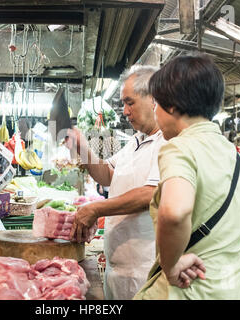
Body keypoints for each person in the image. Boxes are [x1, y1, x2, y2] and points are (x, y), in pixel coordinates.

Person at [134, 54, 240, 300]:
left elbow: (175, 212)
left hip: (189, 291)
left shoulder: (180, 148)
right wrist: (223, 256)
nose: (155, 112)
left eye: (156, 104)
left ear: (172, 106)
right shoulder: (230, 154)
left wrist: (171, 266)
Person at [66, 65, 166, 300]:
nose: (124, 111)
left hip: (146, 269)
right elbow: (108, 175)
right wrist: (82, 146)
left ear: (153, 98)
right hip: (119, 268)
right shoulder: (136, 141)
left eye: (129, 102)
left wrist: (96, 208)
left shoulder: (167, 143)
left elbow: (150, 194)